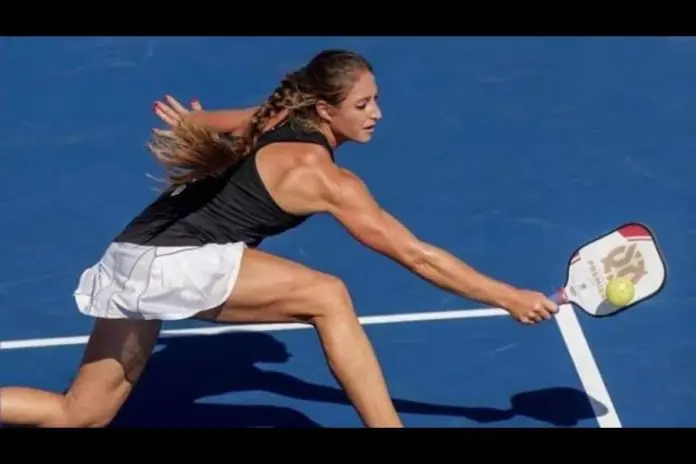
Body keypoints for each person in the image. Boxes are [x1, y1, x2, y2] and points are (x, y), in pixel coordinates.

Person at [0, 49, 557, 428]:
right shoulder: (324, 179)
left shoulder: (275, 115)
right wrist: (506, 295)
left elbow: (213, 124)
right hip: (169, 263)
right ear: (324, 110)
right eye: (363, 105)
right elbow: (415, 255)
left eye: (375, 99)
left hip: (129, 254)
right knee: (329, 296)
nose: (377, 114)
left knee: (81, 416)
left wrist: (192, 126)